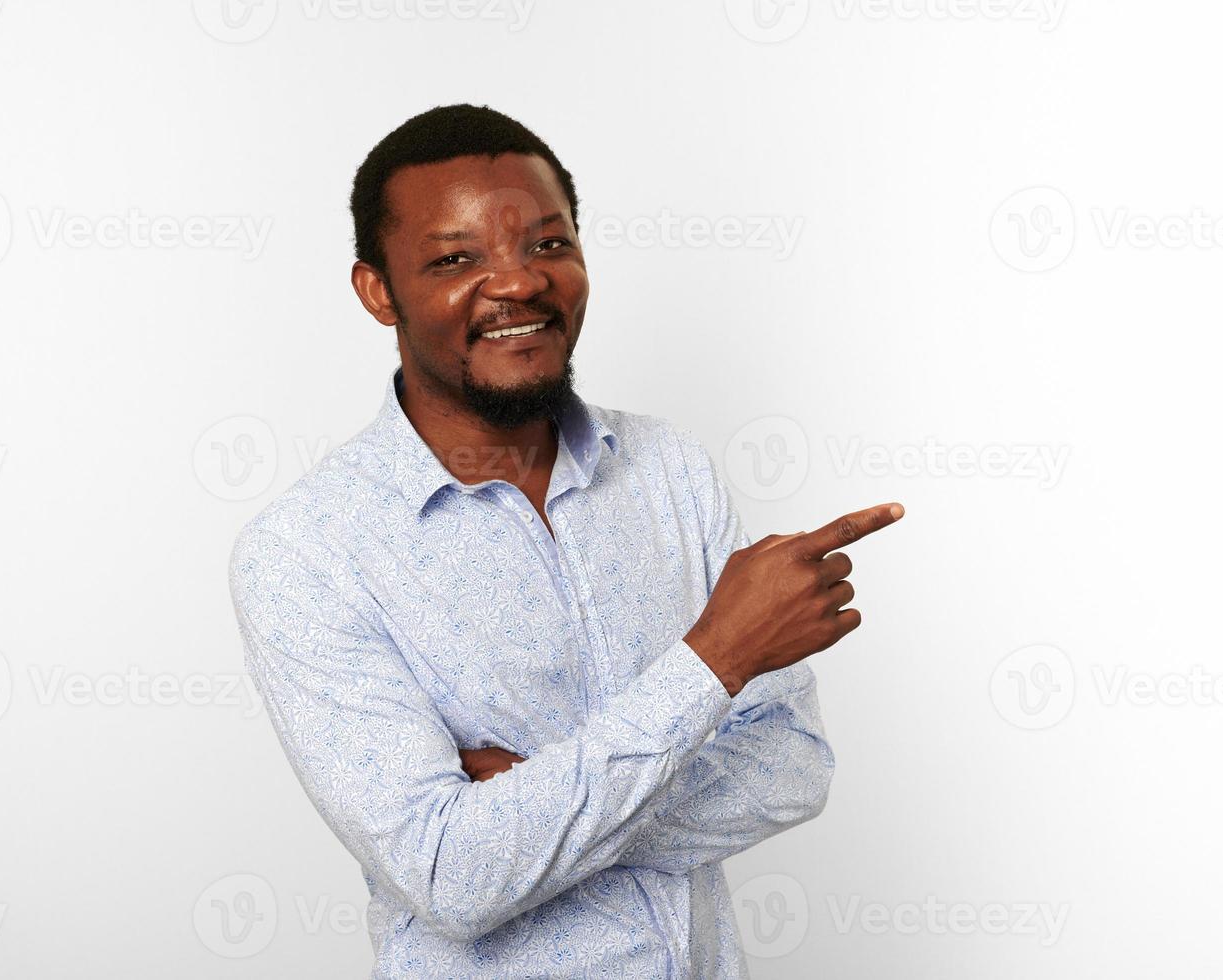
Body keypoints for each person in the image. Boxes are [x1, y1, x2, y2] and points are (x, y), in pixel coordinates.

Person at [228, 103, 904, 977]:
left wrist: (533, 808)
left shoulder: (670, 470)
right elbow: (452, 875)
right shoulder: (305, 556)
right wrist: (714, 660)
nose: (517, 283)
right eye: (454, 259)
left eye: (548, 245)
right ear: (377, 291)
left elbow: (793, 769)